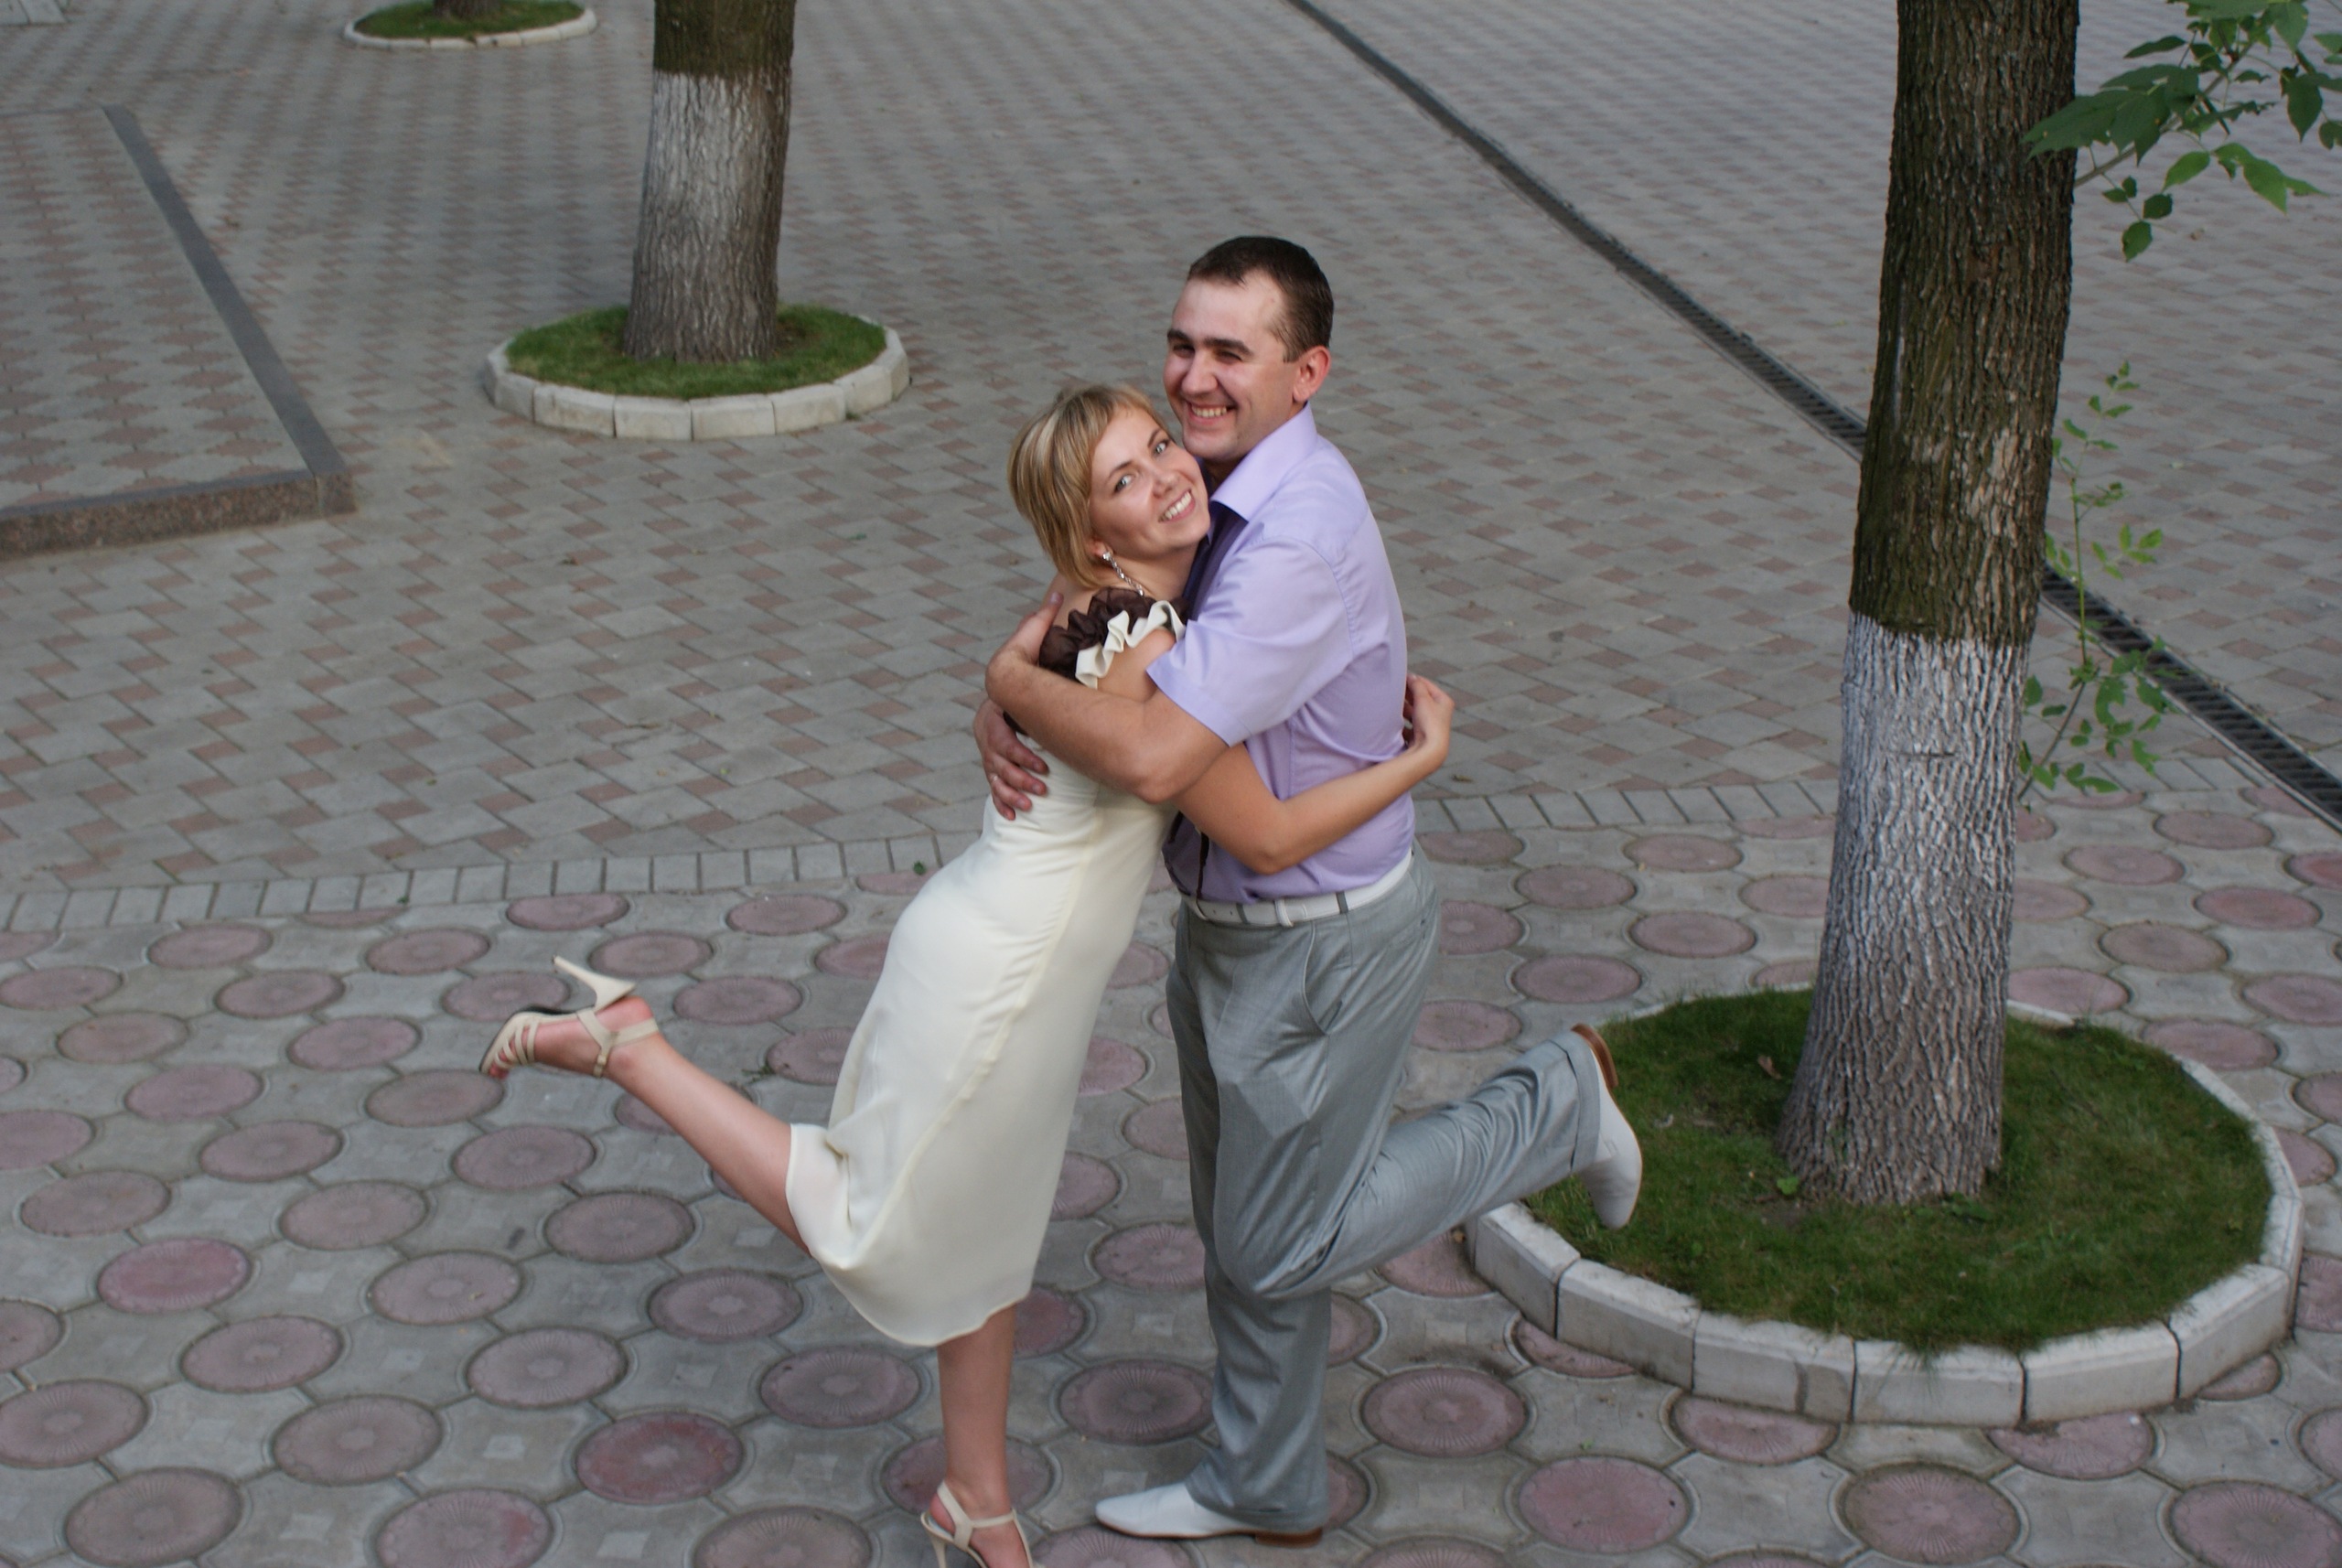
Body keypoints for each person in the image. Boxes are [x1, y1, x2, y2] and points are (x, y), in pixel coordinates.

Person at [478, 381, 1455, 1568]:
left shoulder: (1104, 607)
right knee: (860, 1219)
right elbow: (1266, 832)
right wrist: (1420, 759)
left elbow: (1032, 667)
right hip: (1000, 976)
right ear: (1094, 533)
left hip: (1007, 960)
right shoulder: (1138, 648)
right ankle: (630, 1045)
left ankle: (977, 1501)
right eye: (1127, 478)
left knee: (988, 1234)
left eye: (1159, 445)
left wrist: (998, 685)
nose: (1168, 473)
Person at [978, 237, 1641, 1546]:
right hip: (1224, 928)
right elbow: (1075, 605)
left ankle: (1558, 1104)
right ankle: (1262, 1482)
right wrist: (1004, 692)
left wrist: (1013, 687)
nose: (1194, 379)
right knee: (1240, 1233)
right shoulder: (1199, 487)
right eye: (1182, 345)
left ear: (1307, 372)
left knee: (1276, 1242)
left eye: (1231, 353)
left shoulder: (1293, 539)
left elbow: (1159, 756)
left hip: (1320, 940)